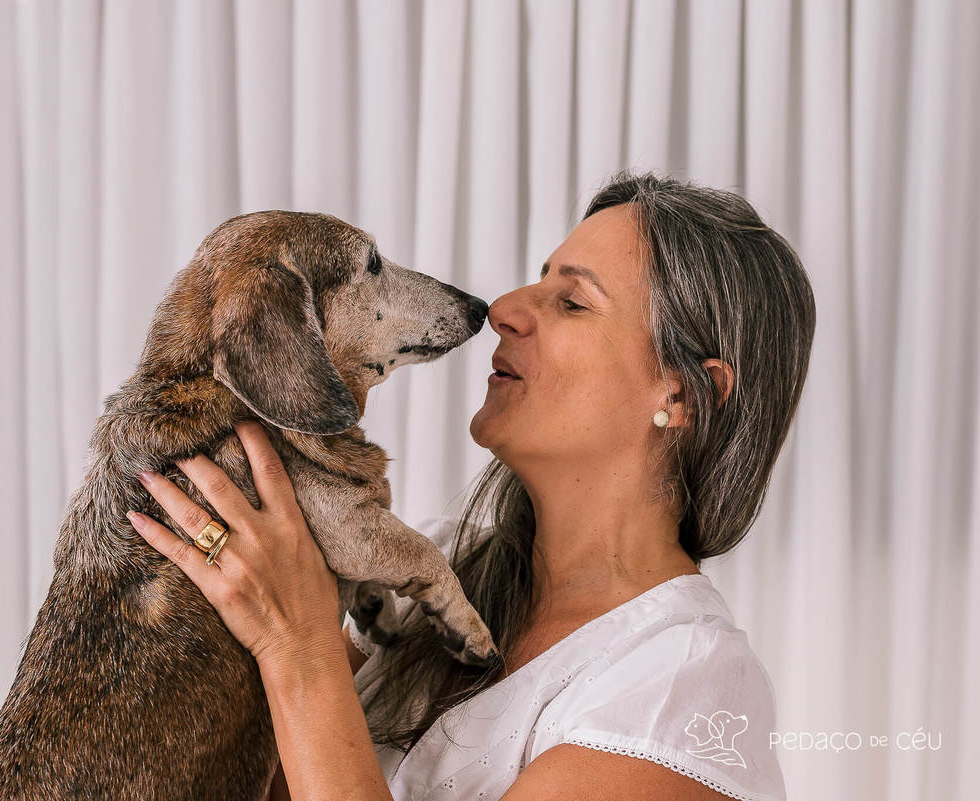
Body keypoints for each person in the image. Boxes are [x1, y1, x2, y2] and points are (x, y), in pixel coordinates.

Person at [128, 169, 815, 800]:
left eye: (572, 301)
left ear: (685, 394)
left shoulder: (685, 685)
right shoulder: (435, 569)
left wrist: (297, 646)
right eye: (538, 279)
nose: (507, 306)